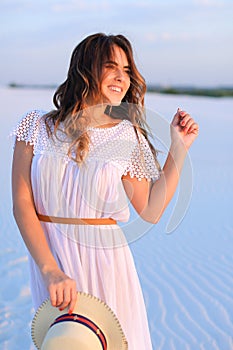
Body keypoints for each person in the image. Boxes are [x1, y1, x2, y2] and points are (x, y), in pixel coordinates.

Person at [11, 33, 199, 349]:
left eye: (126, 70)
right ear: (85, 69)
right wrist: (49, 270)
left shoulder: (127, 137)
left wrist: (178, 148)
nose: (121, 78)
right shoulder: (36, 127)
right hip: (50, 262)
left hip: (107, 267)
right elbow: (22, 202)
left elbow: (150, 211)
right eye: (110, 66)